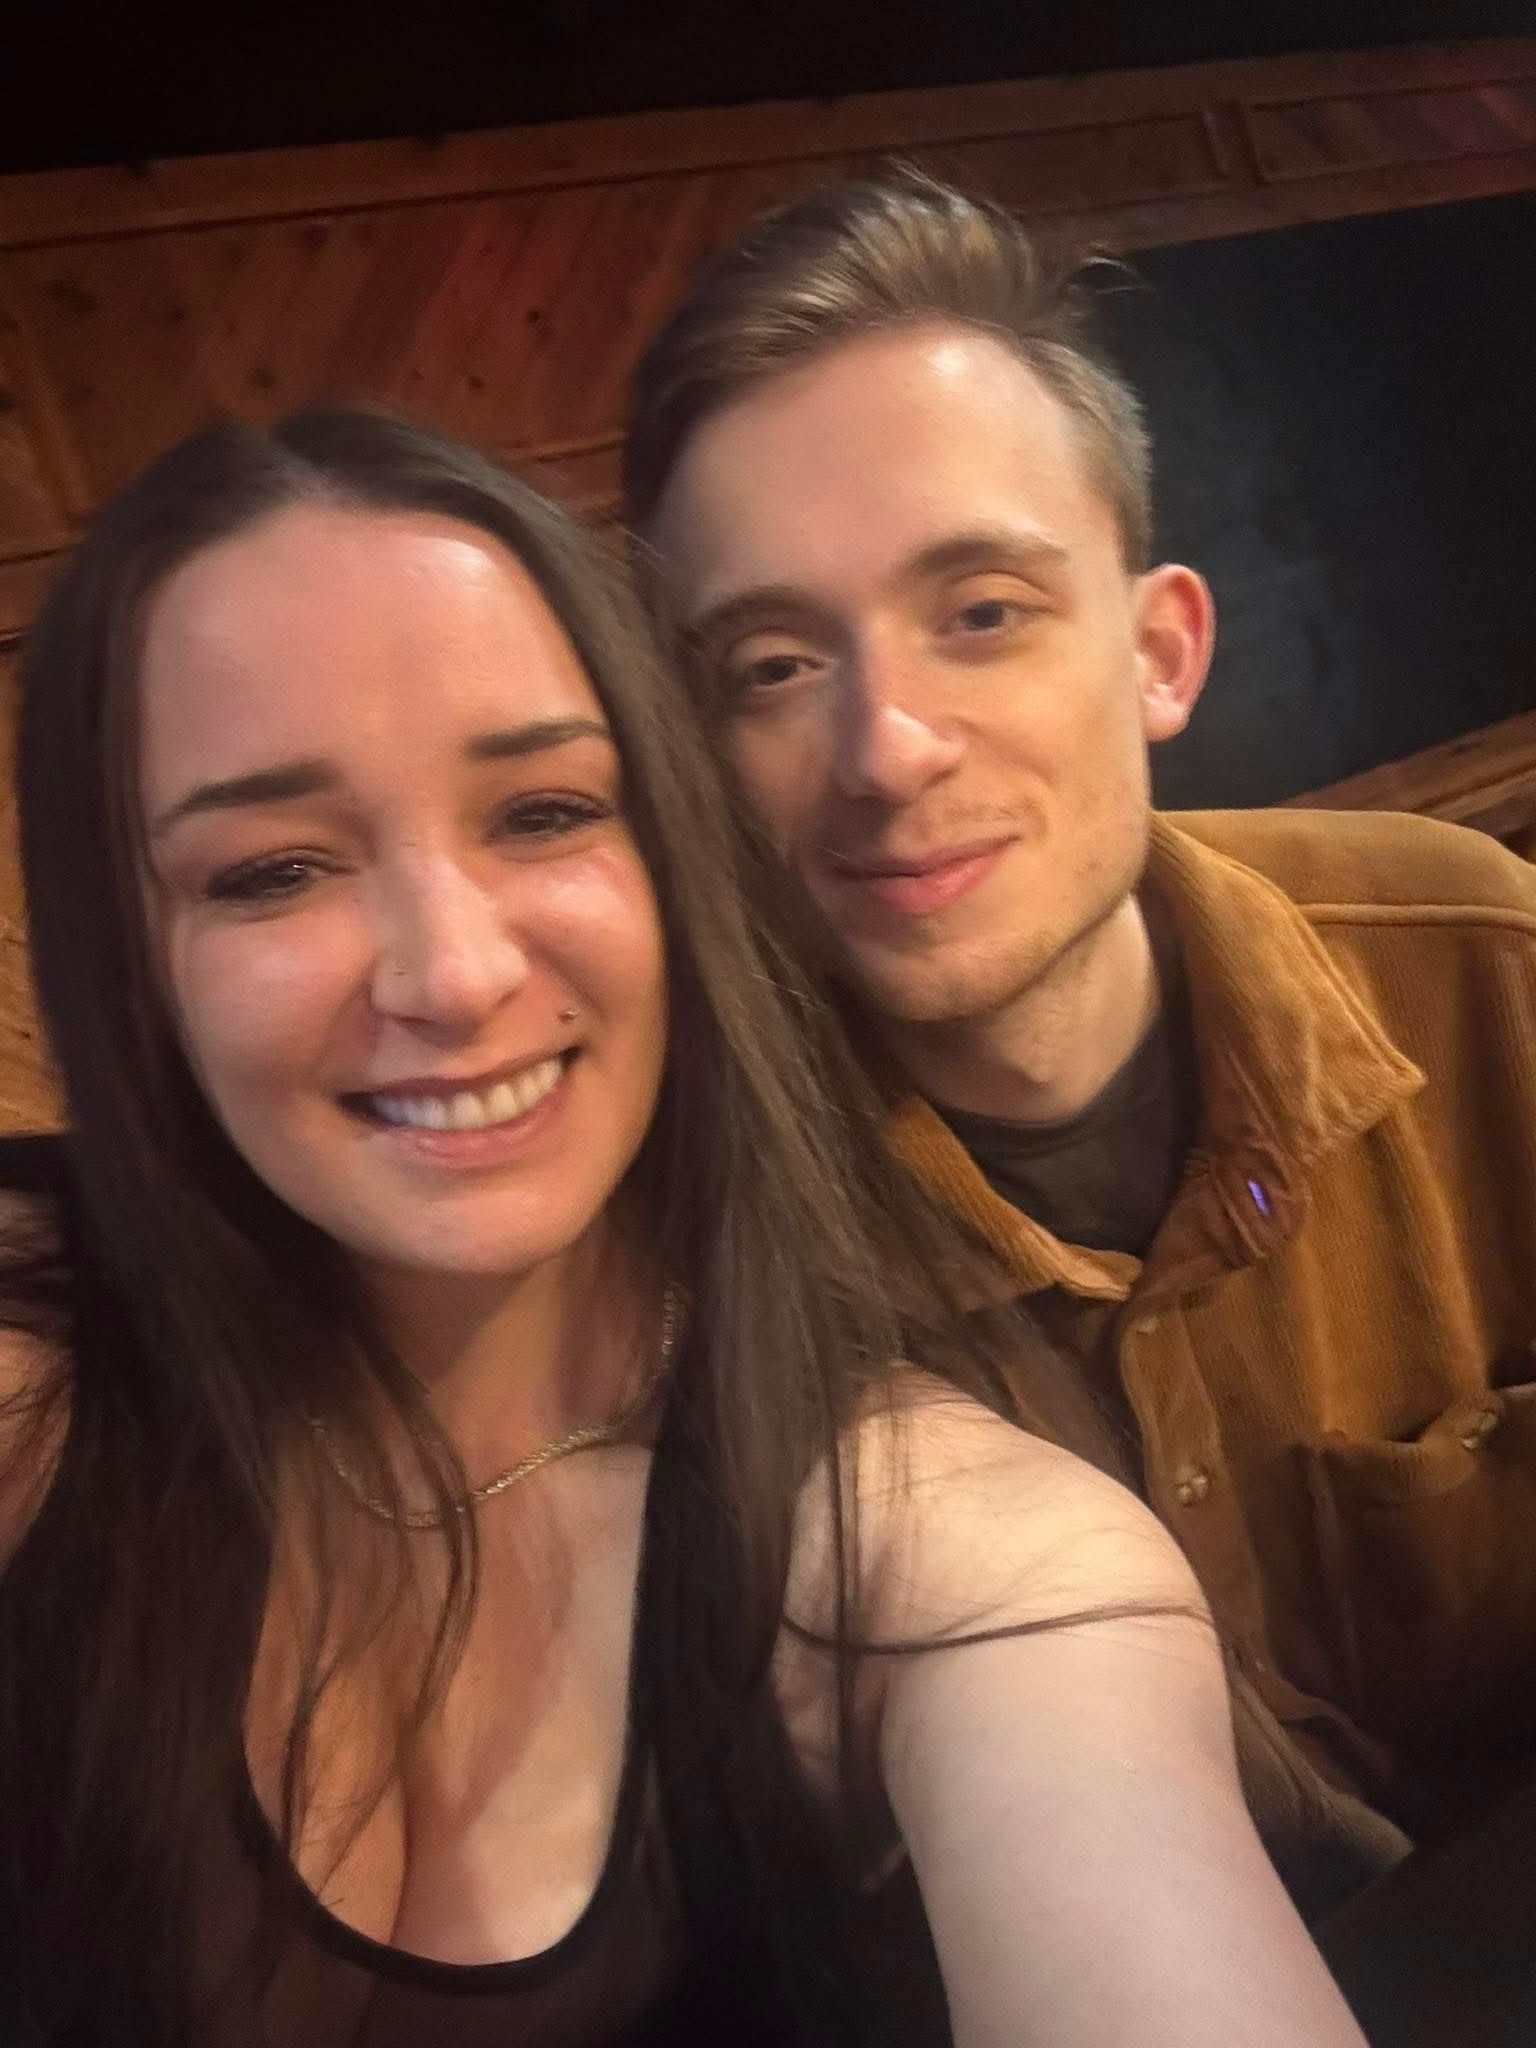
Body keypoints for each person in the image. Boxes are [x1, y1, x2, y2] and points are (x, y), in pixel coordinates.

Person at [0, 409, 1365, 2047]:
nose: (454, 976)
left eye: (544, 813)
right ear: (130, 956)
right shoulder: (44, 1365)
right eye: (275, 869)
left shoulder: (947, 1554)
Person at [623, 167, 1536, 1865]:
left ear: (1160, 652)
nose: (888, 747)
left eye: (981, 613)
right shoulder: (681, 1233)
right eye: (771, 664)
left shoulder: (1482, 971)